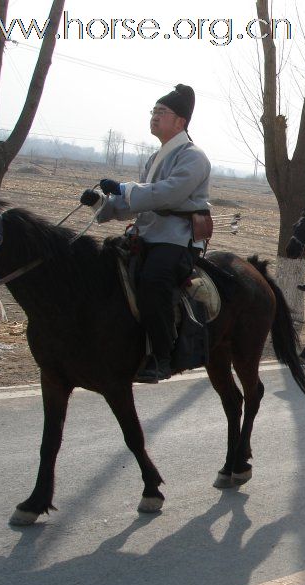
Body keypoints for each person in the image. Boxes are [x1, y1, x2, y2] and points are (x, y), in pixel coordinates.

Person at [79, 84, 211, 383]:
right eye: (153, 111)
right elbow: (138, 204)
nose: (154, 117)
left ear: (180, 121)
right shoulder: (155, 159)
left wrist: (125, 189)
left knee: (154, 279)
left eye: (161, 112)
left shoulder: (194, 157)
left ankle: (163, 356)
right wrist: (102, 202)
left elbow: (166, 194)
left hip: (177, 238)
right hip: (148, 234)